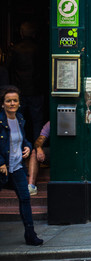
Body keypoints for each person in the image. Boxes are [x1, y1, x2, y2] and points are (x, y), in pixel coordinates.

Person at [0, 85, 43, 246]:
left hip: (16, 167)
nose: (12, 103)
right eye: (8, 101)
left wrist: (27, 146)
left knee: (25, 199)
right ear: (2, 104)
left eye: (15, 100)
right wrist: (1, 162)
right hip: (2, 168)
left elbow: (22, 139)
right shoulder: (0, 121)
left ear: (19, 103)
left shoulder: (19, 119)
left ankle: (30, 235)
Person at [8, 22, 46, 143]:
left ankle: (18, 147)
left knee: (17, 120)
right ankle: (36, 150)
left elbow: (9, 68)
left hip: (19, 91)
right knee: (37, 122)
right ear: (34, 33)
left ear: (21, 33)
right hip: (36, 90)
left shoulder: (15, 49)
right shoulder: (40, 48)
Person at [27, 121, 50, 196]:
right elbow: (40, 139)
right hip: (55, 153)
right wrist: (39, 148)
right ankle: (31, 186)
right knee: (34, 152)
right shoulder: (51, 123)